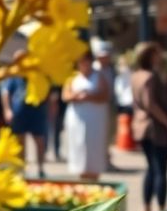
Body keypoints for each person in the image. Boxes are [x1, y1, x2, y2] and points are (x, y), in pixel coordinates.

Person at [131, 42, 167, 211]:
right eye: (157, 54)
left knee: (151, 169)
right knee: (160, 171)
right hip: (155, 129)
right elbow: (151, 105)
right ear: (150, 56)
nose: (160, 57)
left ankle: (146, 208)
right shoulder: (150, 77)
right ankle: (161, 210)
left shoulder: (136, 76)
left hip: (141, 127)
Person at [63, 50, 110, 180]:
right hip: (77, 118)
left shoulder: (99, 76)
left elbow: (105, 95)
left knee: (93, 147)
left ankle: (94, 176)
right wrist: (77, 96)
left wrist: (90, 96)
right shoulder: (72, 77)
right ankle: (82, 175)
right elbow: (66, 96)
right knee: (79, 146)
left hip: (94, 118)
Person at [2, 55, 48, 178]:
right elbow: (6, 92)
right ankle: (21, 170)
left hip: (37, 112)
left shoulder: (38, 74)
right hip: (19, 113)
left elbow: (47, 91)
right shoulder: (15, 76)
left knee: (39, 141)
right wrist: (7, 110)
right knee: (20, 142)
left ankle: (41, 168)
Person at [91, 38, 118, 169]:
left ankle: (106, 159)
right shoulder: (94, 70)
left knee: (110, 134)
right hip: (97, 107)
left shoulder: (111, 69)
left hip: (109, 104)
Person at [48, 85, 67, 161]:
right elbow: (54, 97)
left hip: (61, 108)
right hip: (55, 108)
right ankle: (51, 151)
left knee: (57, 131)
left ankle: (56, 152)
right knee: (51, 131)